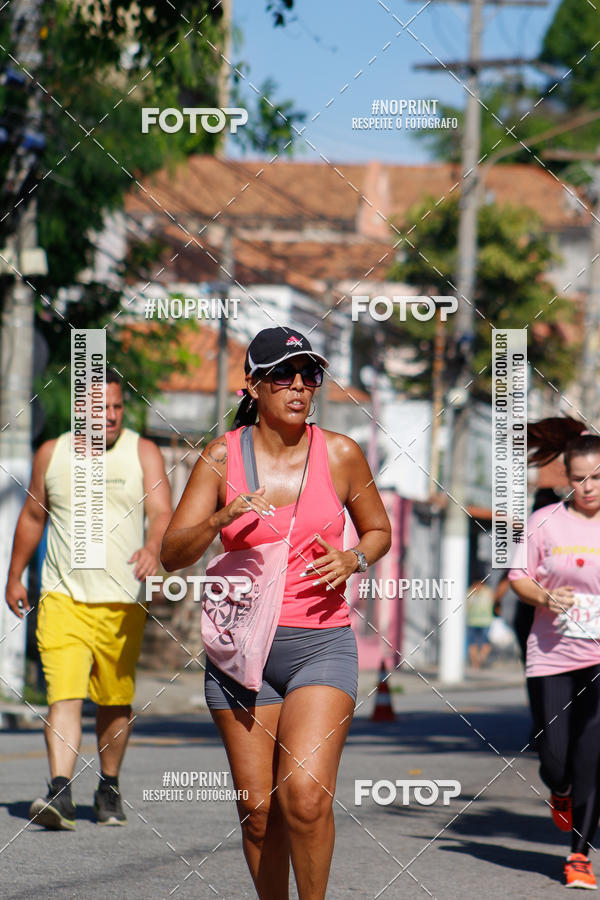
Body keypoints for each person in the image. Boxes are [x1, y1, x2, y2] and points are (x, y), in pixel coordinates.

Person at [161, 327, 392, 900]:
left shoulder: (340, 452)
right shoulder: (221, 456)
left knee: (307, 798)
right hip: (242, 652)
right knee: (260, 812)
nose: (298, 386)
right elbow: (171, 554)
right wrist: (220, 519)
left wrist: (354, 557)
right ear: (254, 385)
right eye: (282, 375)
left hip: (321, 643)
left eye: (309, 375)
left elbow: (378, 529)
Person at [5, 368, 172, 830]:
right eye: (103, 408)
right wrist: (15, 575)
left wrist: (153, 547)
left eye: (118, 407)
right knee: (65, 694)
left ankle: (109, 786)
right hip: (62, 596)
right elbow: (33, 516)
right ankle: (60, 789)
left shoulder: (144, 453)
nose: (113, 416)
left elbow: (162, 512)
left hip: (122, 604)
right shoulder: (51, 453)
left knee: (115, 702)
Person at [509, 417, 600, 890]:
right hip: (553, 654)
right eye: (580, 478)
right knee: (556, 758)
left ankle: (579, 857)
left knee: (592, 755)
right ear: (568, 479)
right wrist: (545, 597)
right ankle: (558, 789)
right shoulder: (545, 521)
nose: (588, 487)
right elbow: (517, 576)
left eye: (598, 477)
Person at [466, 579, 495, 668]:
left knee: (483, 642)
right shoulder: (471, 592)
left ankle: (479, 659)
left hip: (482, 621)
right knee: (475, 643)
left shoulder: (486, 592)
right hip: (476, 621)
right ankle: (477, 662)